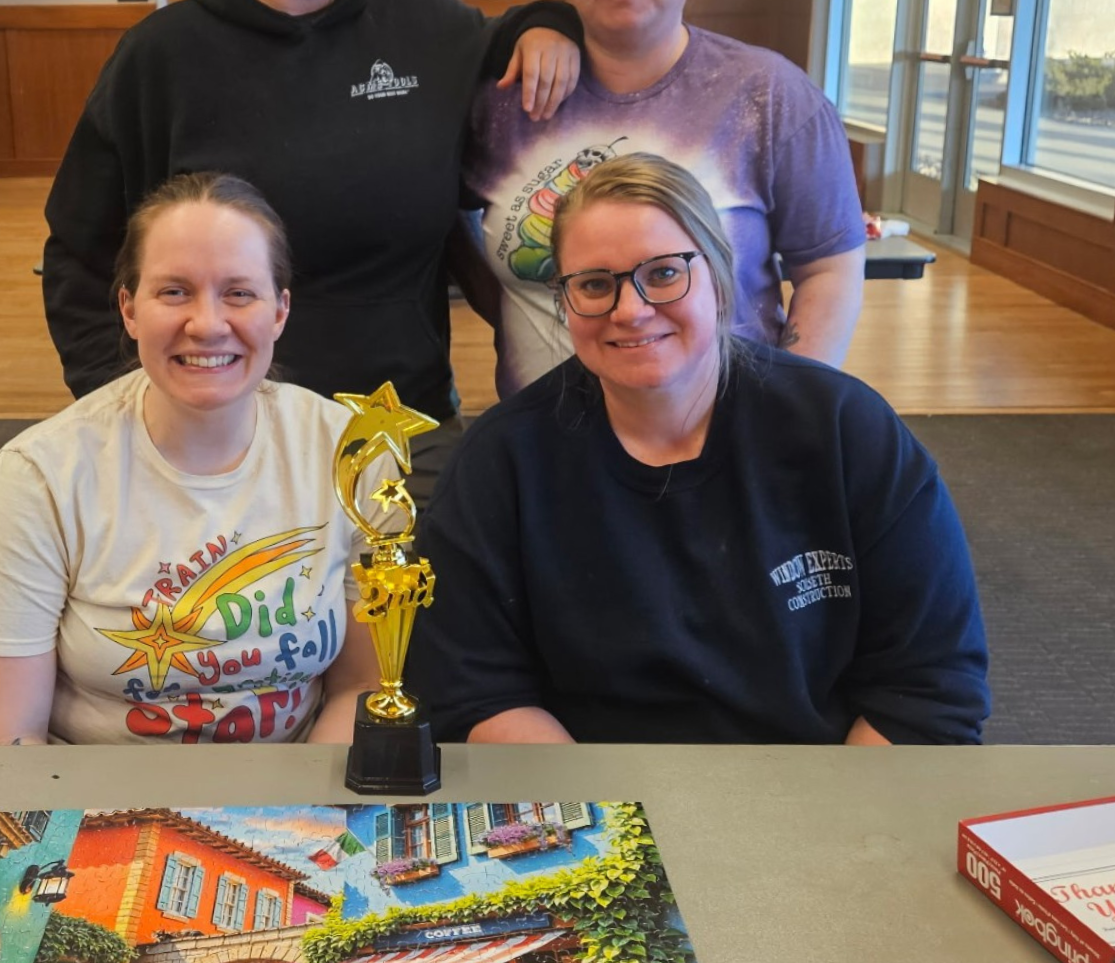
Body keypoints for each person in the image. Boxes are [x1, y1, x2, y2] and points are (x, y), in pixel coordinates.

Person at [42, 0, 583, 499]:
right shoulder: (159, 56)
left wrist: (552, 24)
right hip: (211, 438)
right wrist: (113, 397)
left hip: (397, 431)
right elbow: (78, 254)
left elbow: (506, 32)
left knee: (408, 612)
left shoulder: (422, 23)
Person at [405, 153, 988, 746]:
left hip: (826, 799)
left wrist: (838, 835)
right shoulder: (501, 464)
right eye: (595, 284)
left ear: (718, 274)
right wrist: (605, 833)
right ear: (564, 300)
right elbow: (474, 692)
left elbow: (928, 689)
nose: (630, 310)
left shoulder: (846, 431)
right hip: (593, 804)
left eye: (663, 273)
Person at [0, 172, 380, 747]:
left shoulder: (351, 453)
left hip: (295, 801)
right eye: (174, 291)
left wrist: (303, 815)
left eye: (239, 293)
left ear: (279, 311)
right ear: (129, 310)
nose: (206, 325)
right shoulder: (39, 478)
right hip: (95, 806)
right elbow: (5, 737)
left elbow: (361, 688)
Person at [460, 0, 868, 399]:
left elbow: (829, 267)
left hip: (729, 441)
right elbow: (449, 232)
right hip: (549, 453)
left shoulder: (769, 95)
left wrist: (792, 409)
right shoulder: (506, 99)